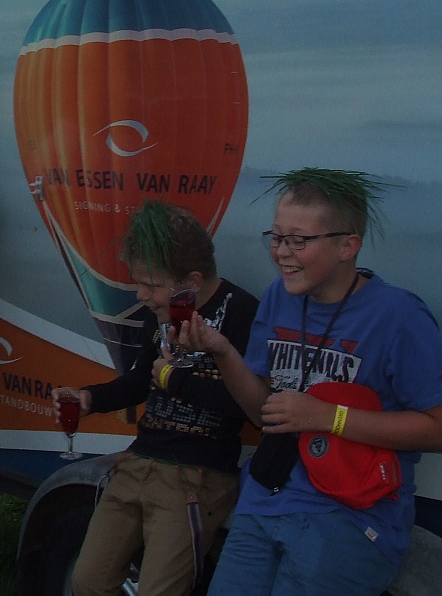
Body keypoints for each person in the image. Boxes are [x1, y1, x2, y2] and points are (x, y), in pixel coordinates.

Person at [184, 167, 442, 596]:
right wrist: (223, 352)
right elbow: (264, 414)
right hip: (265, 499)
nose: (282, 252)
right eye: (276, 237)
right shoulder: (278, 296)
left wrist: (328, 417)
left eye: (298, 241)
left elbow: (437, 428)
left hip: (351, 514)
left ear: (348, 246)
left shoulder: (399, 316)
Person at [51, 199, 258, 596]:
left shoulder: (242, 312)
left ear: (192, 282)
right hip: (139, 461)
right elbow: (139, 382)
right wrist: (89, 398)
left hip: (196, 476)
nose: (142, 295)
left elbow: (247, 407)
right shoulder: (161, 311)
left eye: (152, 285)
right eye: (138, 283)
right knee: (87, 580)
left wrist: (175, 379)